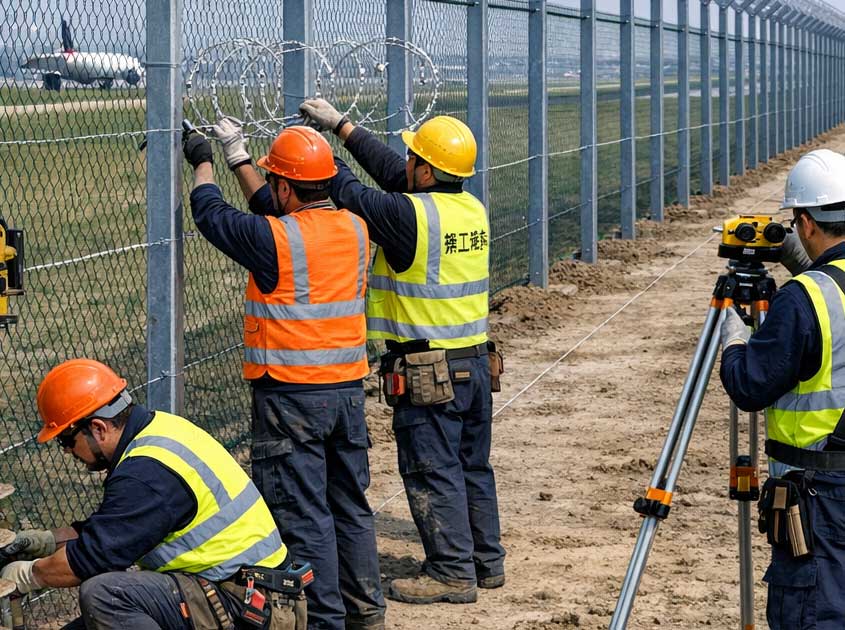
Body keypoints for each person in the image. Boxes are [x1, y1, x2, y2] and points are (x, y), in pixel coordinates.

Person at [296, 99, 506, 605]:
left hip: (428, 370)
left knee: (432, 470)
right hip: (476, 362)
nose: (405, 163)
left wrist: (318, 149)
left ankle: (451, 573)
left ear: (428, 171)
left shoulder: (408, 217)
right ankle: (485, 561)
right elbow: (395, 175)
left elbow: (345, 191)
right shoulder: (466, 207)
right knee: (472, 465)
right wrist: (345, 128)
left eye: (414, 158)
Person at [183, 123, 385, 630]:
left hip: (292, 396)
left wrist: (203, 161)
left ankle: (322, 621)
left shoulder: (277, 239)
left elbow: (212, 215)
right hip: (346, 391)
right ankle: (366, 612)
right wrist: (240, 158)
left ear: (287, 188)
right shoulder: (355, 227)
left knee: (303, 514)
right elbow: (276, 217)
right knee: (349, 505)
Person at [0, 358, 303, 629]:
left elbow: (92, 558)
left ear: (98, 428)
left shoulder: (145, 474)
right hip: (245, 592)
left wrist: (29, 576)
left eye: (66, 439)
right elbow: (111, 530)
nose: (67, 451)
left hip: (247, 606)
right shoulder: (159, 434)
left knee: (106, 595)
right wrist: (44, 542)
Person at [720, 148, 845, 629]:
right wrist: (804, 265)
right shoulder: (815, 290)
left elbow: (750, 386)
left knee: (814, 612)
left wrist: (733, 337)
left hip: (819, 493)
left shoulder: (803, 299)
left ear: (806, 222)